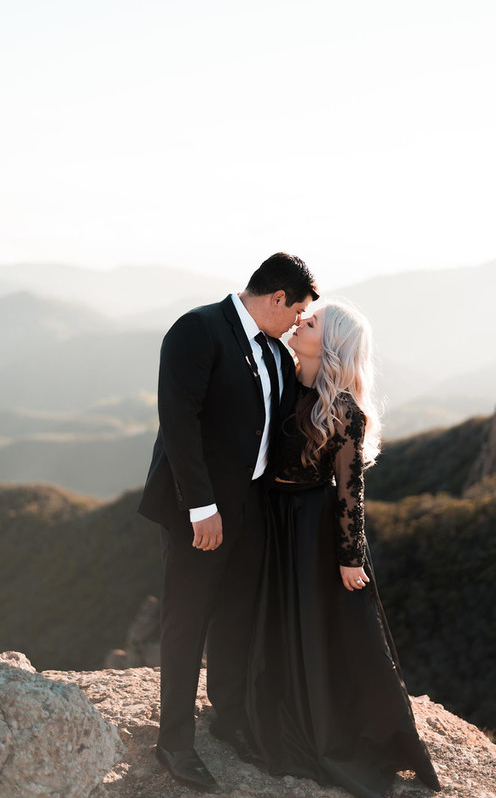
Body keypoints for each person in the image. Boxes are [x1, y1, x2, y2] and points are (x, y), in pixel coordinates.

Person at [138, 252, 319, 792]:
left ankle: (228, 717)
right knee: (187, 621)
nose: (297, 323)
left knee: (236, 617)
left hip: (253, 510)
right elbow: (178, 419)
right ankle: (173, 743)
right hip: (202, 512)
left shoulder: (276, 353)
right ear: (277, 298)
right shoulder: (198, 329)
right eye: (298, 310)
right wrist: (201, 507)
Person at [246, 301, 442, 797]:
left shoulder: (345, 412)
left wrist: (350, 555)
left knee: (318, 625)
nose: (298, 323)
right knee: (272, 617)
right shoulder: (283, 383)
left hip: (312, 529)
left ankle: (330, 728)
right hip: (271, 518)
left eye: (309, 323)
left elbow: (349, 490)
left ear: (329, 342)